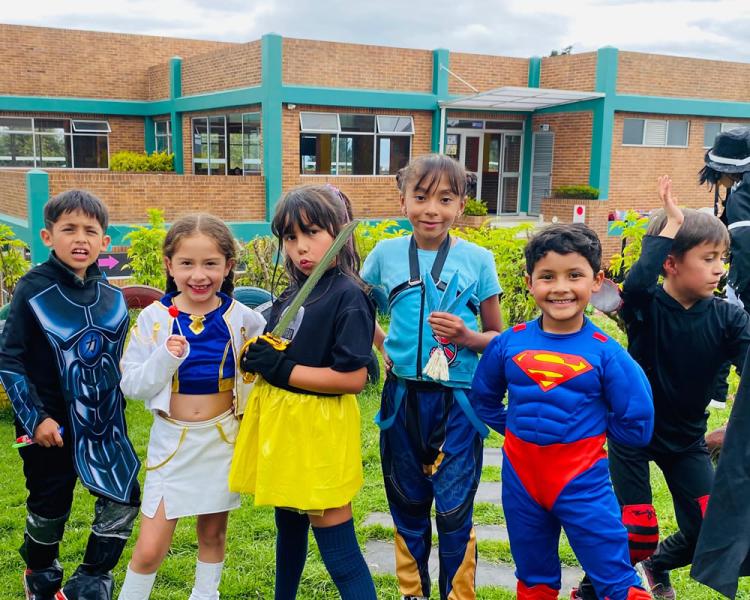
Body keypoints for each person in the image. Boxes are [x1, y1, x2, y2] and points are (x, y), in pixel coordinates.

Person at [471, 222, 654, 600]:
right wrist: (517, 429)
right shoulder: (508, 343)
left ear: (596, 280)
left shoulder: (607, 353)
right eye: (547, 276)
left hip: (582, 480)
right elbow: (484, 399)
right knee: (533, 576)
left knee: (615, 577)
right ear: (529, 282)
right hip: (521, 479)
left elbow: (637, 422)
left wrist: (587, 431)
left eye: (574, 275)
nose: (560, 287)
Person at [597, 176, 750, 600]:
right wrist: (672, 224)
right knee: (637, 528)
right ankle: (593, 589)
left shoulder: (729, 319)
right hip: (633, 435)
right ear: (671, 262)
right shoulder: (644, 308)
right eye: (709, 258)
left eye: (723, 258)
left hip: (685, 441)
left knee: (711, 528)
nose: (720, 269)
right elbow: (636, 285)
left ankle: (657, 563)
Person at [361, 154, 503, 600]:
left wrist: (467, 336)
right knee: (406, 503)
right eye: (420, 197)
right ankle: (413, 593)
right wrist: (383, 344)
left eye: (445, 199)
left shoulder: (479, 259)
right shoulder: (384, 255)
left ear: (461, 205)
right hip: (402, 400)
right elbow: (357, 307)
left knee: (455, 510)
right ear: (402, 200)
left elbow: (498, 337)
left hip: (458, 404)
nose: (431, 210)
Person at [229, 185, 377, 599]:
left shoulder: (350, 296)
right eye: (290, 237)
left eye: (312, 232)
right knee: (289, 529)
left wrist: (284, 369)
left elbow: (353, 378)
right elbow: (287, 350)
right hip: (284, 429)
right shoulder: (295, 292)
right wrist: (259, 356)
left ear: (339, 231)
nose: (300, 247)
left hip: (319, 433)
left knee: (339, 550)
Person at [0, 190, 141, 600]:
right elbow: (9, 358)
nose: (80, 239)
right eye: (69, 229)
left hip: (103, 424)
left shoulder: (109, 294)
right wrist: (36, 419)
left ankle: (91, 581)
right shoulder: (32, 288)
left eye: (90, 231)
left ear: (104, 241)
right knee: (50, 505)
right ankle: (40, 576)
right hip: (49, 426)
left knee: (123, 497)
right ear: (48, 236)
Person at [117, 214, 265, 600]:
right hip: (172, 445)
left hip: (222, 441)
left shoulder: (245, 319)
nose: (199, 275)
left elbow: (259, 376)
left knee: (212, 535)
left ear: (228, 266)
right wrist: (166, 358)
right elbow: (131, 385)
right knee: (150, 549)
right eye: (187, 263)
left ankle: (205, 595)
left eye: (210, 263)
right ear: (169, 265)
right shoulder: (153, 319)